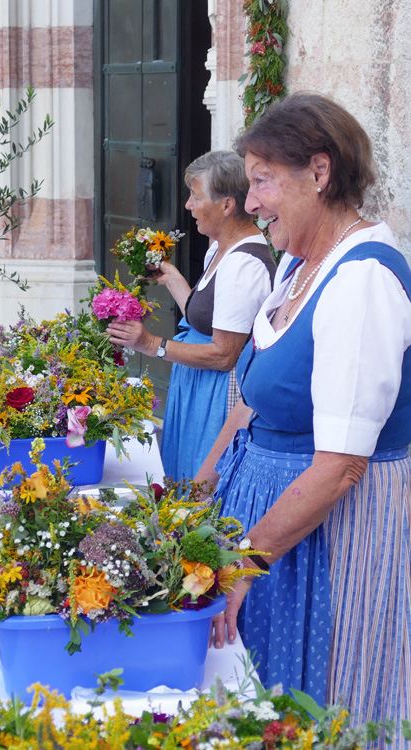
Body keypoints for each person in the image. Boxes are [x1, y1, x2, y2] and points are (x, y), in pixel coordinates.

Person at [196, 93, 411, 745]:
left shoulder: (363, 280)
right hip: (268, 526)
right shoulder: (296, 264)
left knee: (314, 703)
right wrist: (199, 488)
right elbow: (249, 401)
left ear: (319, 172)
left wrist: (242, 565)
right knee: (255, 696)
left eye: (262, 180)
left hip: (327, 540)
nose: (251, 201)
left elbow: (342, 466)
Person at [108, 151, 275, 481]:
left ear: (227, 205)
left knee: (202, 485)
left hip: (218, 393)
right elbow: (206, 320)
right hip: (198, 383)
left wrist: (151, 343)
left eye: (196, 196)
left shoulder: (245, 266)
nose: (188, 205)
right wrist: (171, 278)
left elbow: (224, 355)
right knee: (182, 477)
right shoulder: (219, 247)